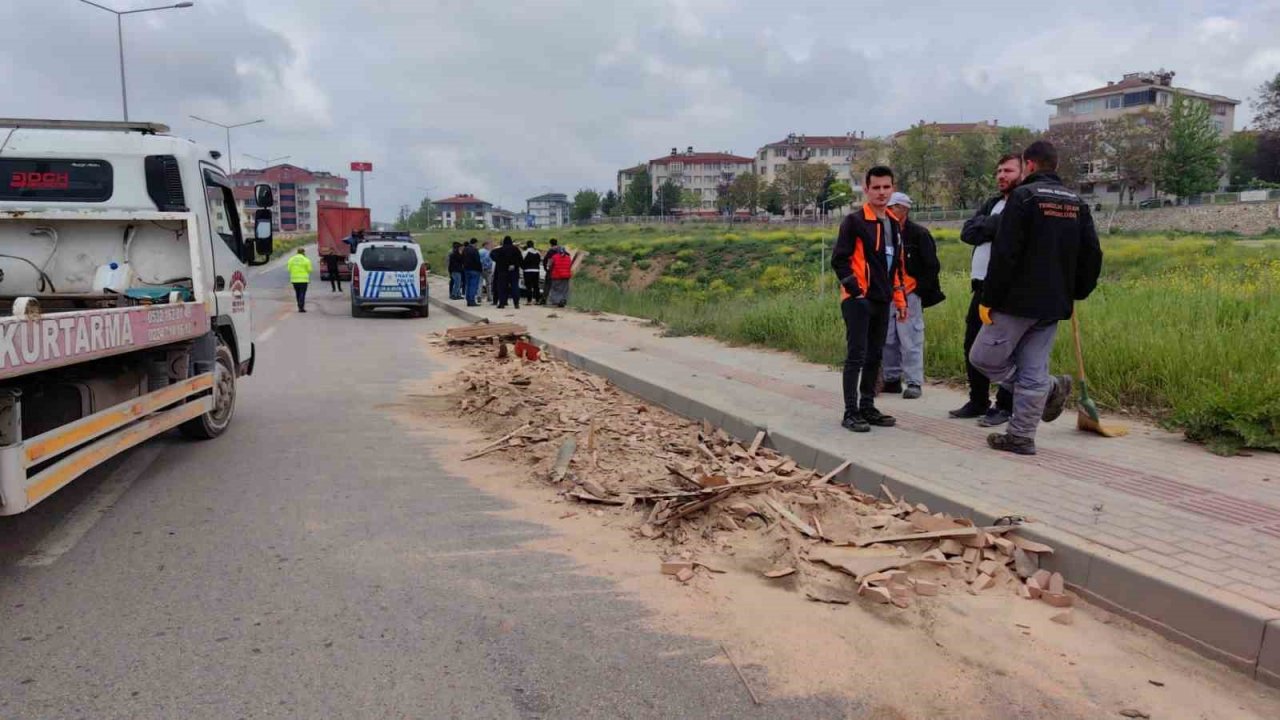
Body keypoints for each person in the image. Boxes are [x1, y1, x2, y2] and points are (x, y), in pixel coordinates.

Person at [970, 140, 1103, 455]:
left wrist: (989, 297)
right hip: (1055, 303)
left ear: (1029, 165)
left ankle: (1050, 388)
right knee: (1031, 370)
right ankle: (1021, 436)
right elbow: (1092, 254)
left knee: (983, 358)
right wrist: (1077, 292)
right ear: (1054, 165)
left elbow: (1006, 253)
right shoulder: (1076, 202)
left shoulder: (1023, 197)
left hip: (1016, 301)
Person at [830, 166, 907, 432]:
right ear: (866, 189)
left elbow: (895, 265)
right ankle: (850, 412)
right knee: (856, 355)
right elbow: (839, 260)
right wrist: (855, 290)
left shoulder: (893, 223)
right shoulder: (854, 222)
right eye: (876, 187)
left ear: (893, 188)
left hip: (882, 299)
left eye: (886, 187)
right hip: (858, 299)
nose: (882, 192)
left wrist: (899, 298)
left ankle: (867, 405)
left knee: (875, 355)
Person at [952, 154, 1022, 426]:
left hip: (1005, 288)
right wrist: (990, 227)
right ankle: (978, 400)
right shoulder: (993, 203)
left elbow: (1005, 231)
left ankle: (1006, 405)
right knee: (972, 344)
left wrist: (989, 228)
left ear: (1023, 172)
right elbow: (967, 232)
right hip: (980, 286)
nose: (1001, 175)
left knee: (1004, 350)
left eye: (1008, 170)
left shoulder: (1022, 203)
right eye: (998, 171)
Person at [881, 192, 943, 400]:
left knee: (910, 339)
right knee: (887, 338)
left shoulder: (919, 234)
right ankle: (891, 379)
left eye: (892, 208)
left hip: (909, 294)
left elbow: (931, 266)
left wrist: (918, 291)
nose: (887, 211)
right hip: (886, 294)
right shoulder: (882, 232)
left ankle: (914, 382)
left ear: (904, 209)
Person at [491, 236, 523, 309]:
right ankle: (516, 303)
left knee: (502, 287)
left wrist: (499, 261)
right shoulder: (516, 249)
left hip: (502, 271)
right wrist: (515, 264)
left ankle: (502, 303)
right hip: (514, 271)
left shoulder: (500, 250)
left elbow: (492, 254)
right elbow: (521, 260)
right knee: (515, 286)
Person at [544, 238, 573, 308]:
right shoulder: (568, 257)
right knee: (564, 290)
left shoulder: (554, 257)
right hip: (566, 276)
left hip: (556, 276)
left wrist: (548, 269)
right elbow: (570, 265)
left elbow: (549, 265)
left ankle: (556, 301)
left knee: (555, 289)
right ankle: (563, 300)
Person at [287, 247, 312, 313]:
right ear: (303, 252)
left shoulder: (291, 259)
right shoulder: (306, 260)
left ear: (297, 252)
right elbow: (309, 270)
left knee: (297, 293)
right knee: (302, 293)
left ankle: (299, 305)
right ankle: (301, 307)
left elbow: (289, 269)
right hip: (303, 280)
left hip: (294, 280)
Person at [461, 238, 483, 306]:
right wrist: (480, 269)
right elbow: (477, 261)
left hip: (466, 269)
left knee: (468, 285)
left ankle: (468, 300)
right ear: (475, 243)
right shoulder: (475, 250)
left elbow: (462, 259)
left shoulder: (465, 249)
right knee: (473, 286)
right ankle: (472, 301)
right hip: (475, 270)